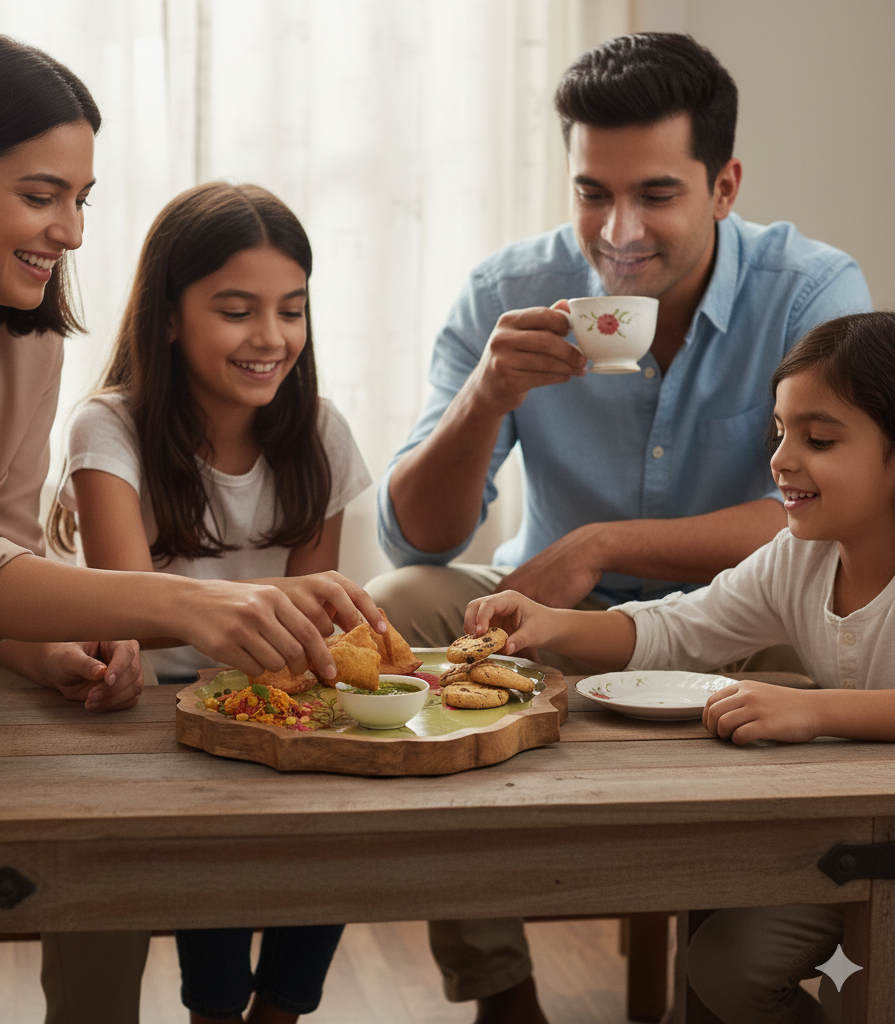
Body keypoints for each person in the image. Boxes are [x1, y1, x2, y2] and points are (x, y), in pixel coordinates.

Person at [0, 35, 382, 1024]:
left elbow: (2, 568)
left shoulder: (22, 345)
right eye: (40, 194)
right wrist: (198, 601)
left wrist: (51, 651)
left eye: (81, 199)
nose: (68, 230)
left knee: (94, 760)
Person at [367, 30, 872, 1024]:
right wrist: (483, 397)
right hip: (561, 600)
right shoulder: (507, 294)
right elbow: (413, 540)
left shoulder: (808, 291)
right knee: (404, 608)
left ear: (724, 185)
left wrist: (601, 544)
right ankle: (502, 991)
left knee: (798, 651)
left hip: (742, 610)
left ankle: (728, 953)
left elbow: (822, 512)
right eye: (592, 191)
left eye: (655, 193)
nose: (618, 229)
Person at [464, 310, 895, 1024]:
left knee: (862, 996)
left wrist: (815, 711)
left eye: (818, 439)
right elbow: (680, 628)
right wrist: (551, 623)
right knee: (724, 966)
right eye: (780, 432)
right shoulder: (800, 558)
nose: (782, 460)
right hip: (853, 847)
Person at [47, 181, 369, 1023]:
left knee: (340, 808)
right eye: (237, 310)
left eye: (291, 310)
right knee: (210, 810)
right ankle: (217, 1010)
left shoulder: (322, 433)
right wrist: (283, 608)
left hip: (278, 696)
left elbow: (314, 633)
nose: (271, 338)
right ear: (167, 315)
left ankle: (282, 1010)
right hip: (158, 707)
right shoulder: (108, 429)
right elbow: (134, 607)